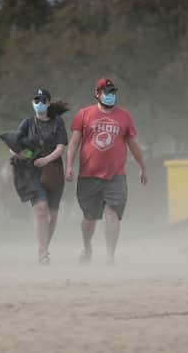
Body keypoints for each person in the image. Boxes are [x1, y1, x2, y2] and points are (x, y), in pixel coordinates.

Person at [65, 78, 148, 265]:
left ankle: (110, 256)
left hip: (116, 175)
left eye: (112, 92)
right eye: (106, 92)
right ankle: (87, 247)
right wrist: (69, 165)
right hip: (89, 175)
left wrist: (142, 167)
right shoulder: (84, 114)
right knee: (90, 217)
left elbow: (133, 144)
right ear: (97, 93)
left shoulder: (124, 116)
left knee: (112, 213)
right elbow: (74, 143)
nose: (110, 96)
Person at [12, 88, 68, 264]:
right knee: (41, 209)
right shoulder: (27, 124)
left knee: (52, 217)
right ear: (32, 102)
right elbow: (14, 144)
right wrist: (22, 154)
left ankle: (44, 247)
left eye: (43, 100)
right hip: (33, 173)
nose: (39, 103)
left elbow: (61, 147)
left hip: (54, 172)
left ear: (49, 103)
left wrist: (47, 159)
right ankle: (42, 252)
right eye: (36, 100)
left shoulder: (57, 122)